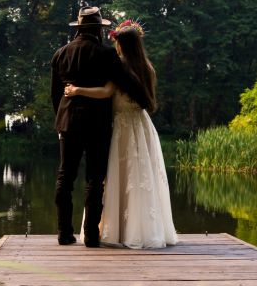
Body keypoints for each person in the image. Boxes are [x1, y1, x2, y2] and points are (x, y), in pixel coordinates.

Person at [64, 19, 178, 249]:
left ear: (120, 45)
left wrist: (77, 90)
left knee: (117, 177)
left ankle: (117, 231)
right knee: (140, 177)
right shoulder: (148, 67)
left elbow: (106, 92)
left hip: (121, 127)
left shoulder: (120, 66)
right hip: (141, 125)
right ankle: (143, 230)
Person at [51, 7, 148, 247]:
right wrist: (146, 101)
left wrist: (62, 120)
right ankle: (91, 235)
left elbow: (55, 95)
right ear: (97, 30)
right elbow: (125, 81)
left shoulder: (60, 54)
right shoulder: (106, 55)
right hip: (97, 124)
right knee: (95, 179)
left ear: (79, 29)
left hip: (68, 122)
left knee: (65, 176)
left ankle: (64, 233)